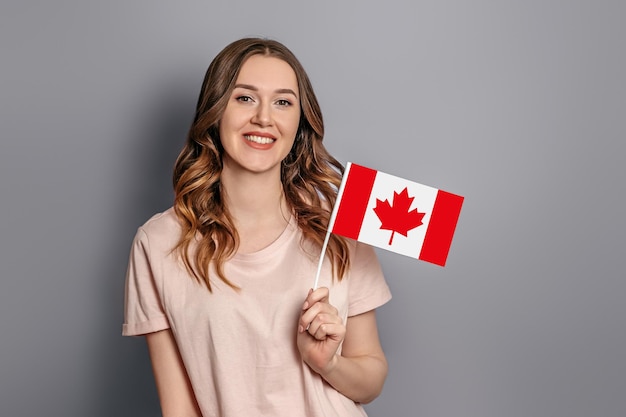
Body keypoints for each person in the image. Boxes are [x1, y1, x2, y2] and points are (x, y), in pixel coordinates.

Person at [122, 37, 392, 417]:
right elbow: (179, 408)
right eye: (244, 98)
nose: (264, 118)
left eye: (283, 102)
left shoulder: (339, 226)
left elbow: (372, 378)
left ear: (300, 121)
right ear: (215, 111)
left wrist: (328, 363)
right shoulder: (159, 243)